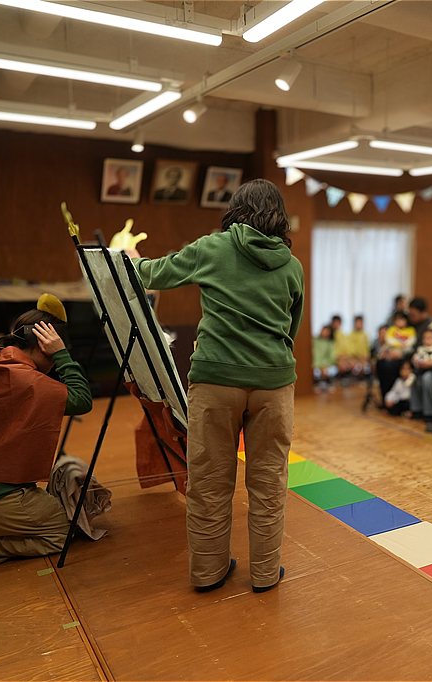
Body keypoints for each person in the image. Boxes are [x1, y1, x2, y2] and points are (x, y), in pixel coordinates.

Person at [131, 178, 303, 592]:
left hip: (216, 381)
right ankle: (265, 574)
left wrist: (132, 259)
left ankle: (209, 573)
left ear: (236, 210)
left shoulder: (213, 247)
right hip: (274, 383)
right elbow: (291, 329)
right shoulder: (292, 266)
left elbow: (152, 275)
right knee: (269, 482)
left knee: (209, 481)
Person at [0, 300, 93, 578]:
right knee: (62, 531)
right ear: (43, 345)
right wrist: (62, 355)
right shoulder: (29, 382)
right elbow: (82, 400)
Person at [375, 312, 417, 399]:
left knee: (391, 367)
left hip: (404, 356)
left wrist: (402, 349)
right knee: (381, 363)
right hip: (391, 352)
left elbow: (412, 343)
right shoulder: (392, 330)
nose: (400, 322)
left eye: (402, 319)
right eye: (397, 320)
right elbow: (389, 340)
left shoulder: (410, 330)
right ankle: (385, 397)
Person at [335, 315, 370, 379]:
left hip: (362, 359)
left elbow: (367, 352)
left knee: (363, 367)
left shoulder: (365, 335)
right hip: (352, 359)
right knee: (349, 366)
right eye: (357, 323)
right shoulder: (350, 335)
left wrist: (363, 359)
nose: (359, 325)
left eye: (360, 323)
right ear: (354, 323)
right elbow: (349, 352)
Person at [312, 325, 336, 389]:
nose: (324, 332)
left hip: (325, 365)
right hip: (313, 365)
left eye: (327, 331)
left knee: (327, 371)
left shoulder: (329, 343)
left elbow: (331, 357)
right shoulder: (313, 340)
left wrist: (324, 365)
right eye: (323, 330)